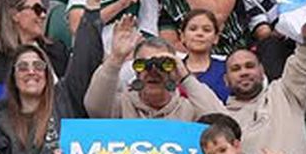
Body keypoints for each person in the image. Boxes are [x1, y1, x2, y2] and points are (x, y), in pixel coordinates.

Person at [0, 0, 68, 142]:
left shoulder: (57, 52)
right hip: (15, 145)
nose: (43, 15)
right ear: (14, 15)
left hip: (62, 140)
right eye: (37, 9)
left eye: (44, 10)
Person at [83, 17, 227, 120]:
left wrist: (185, 77)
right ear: (135, 71)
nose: (153, 72)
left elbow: (221, 121)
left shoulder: (190, 108)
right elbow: (95, 109)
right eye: (143, 64)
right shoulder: (122, 104)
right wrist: (115, 58)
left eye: (163, 65)